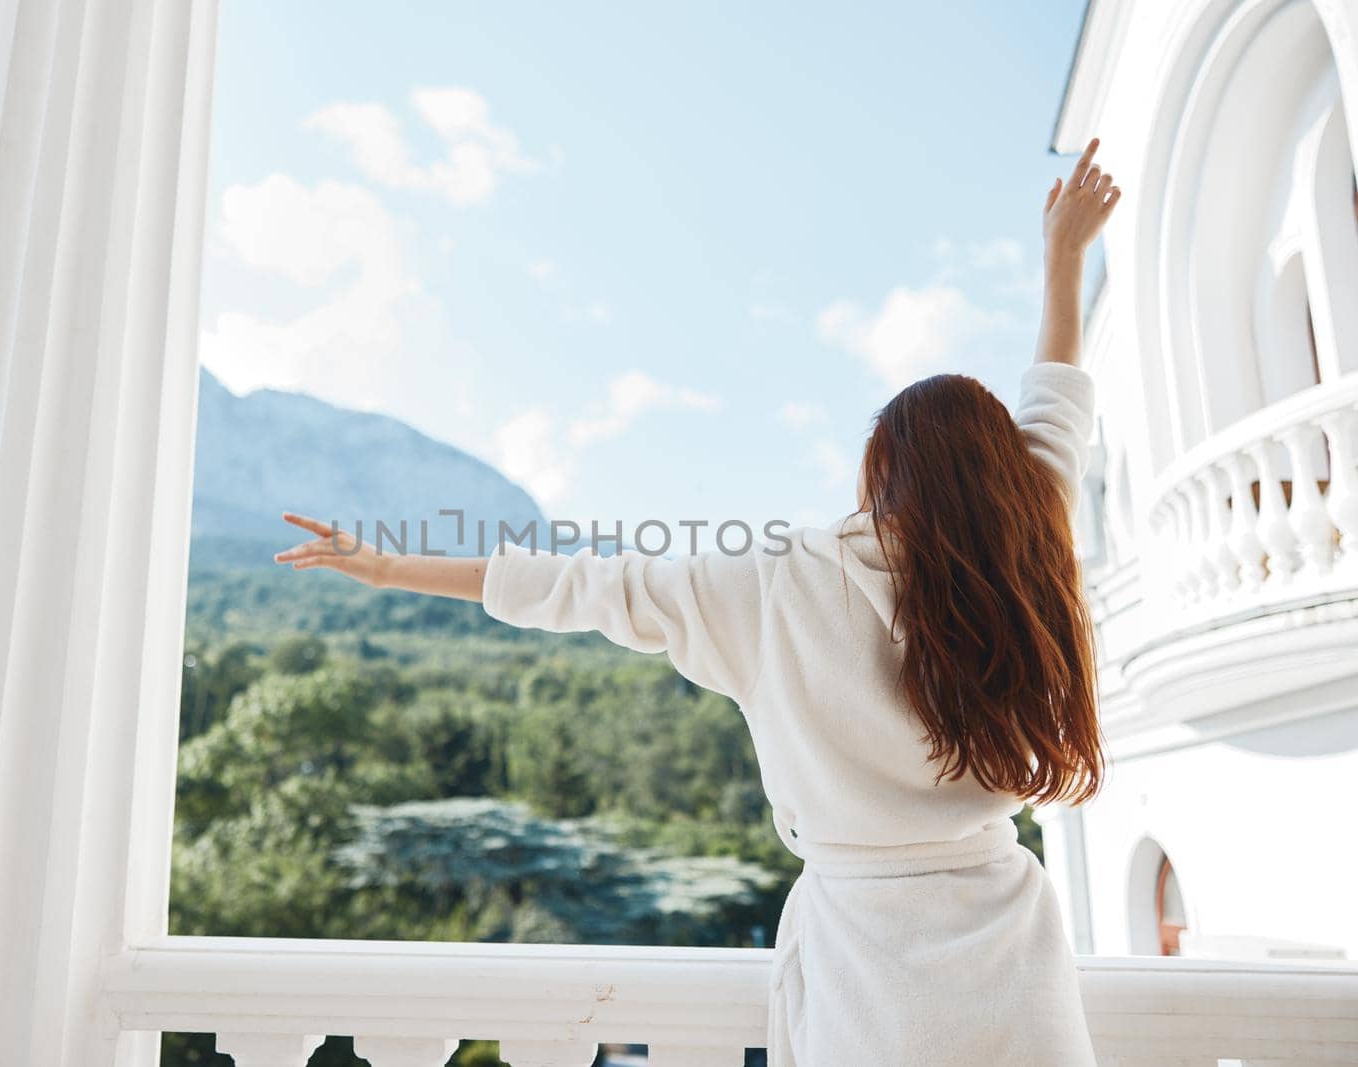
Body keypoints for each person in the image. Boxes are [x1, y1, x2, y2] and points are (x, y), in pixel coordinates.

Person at [275, 139, 1121, 1065]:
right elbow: (1055, 408)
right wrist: (1064, 256)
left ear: (884, 477)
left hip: (866, 968)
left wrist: (393, 569)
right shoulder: (1024, 551)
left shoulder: (773, 582)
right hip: (1013, 956)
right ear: (997, 481)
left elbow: (580, 583)